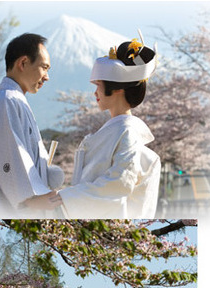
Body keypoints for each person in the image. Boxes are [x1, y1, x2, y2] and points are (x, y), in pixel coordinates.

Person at [57, 38, 160, 218]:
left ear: (118, 88)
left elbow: (119, 183)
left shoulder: (127, 132)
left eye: (98, 85)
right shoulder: (117, 130)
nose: (95, 92)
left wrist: (62, 199)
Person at [0, 33, 64, 218]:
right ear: (23, 63)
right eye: (44, 68)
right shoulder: (6, 101)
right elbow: (6, 157)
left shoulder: (15, 100)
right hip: (19, 208)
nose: (46, 77)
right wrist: (30, 198)